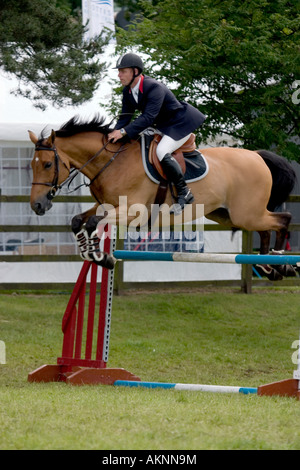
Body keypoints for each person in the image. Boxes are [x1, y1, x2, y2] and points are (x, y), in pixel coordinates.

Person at [108, 53, 206, 212]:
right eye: (118, 71)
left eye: (123, 71)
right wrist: (114, 133)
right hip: (161, 125)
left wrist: (124, 131)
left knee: (161, 150)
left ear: (135, 71)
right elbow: (125, 118)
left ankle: (184, 192)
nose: (119, 75)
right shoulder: (127, 92)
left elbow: (148, 117)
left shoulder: (153, 87)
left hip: (179, 123)